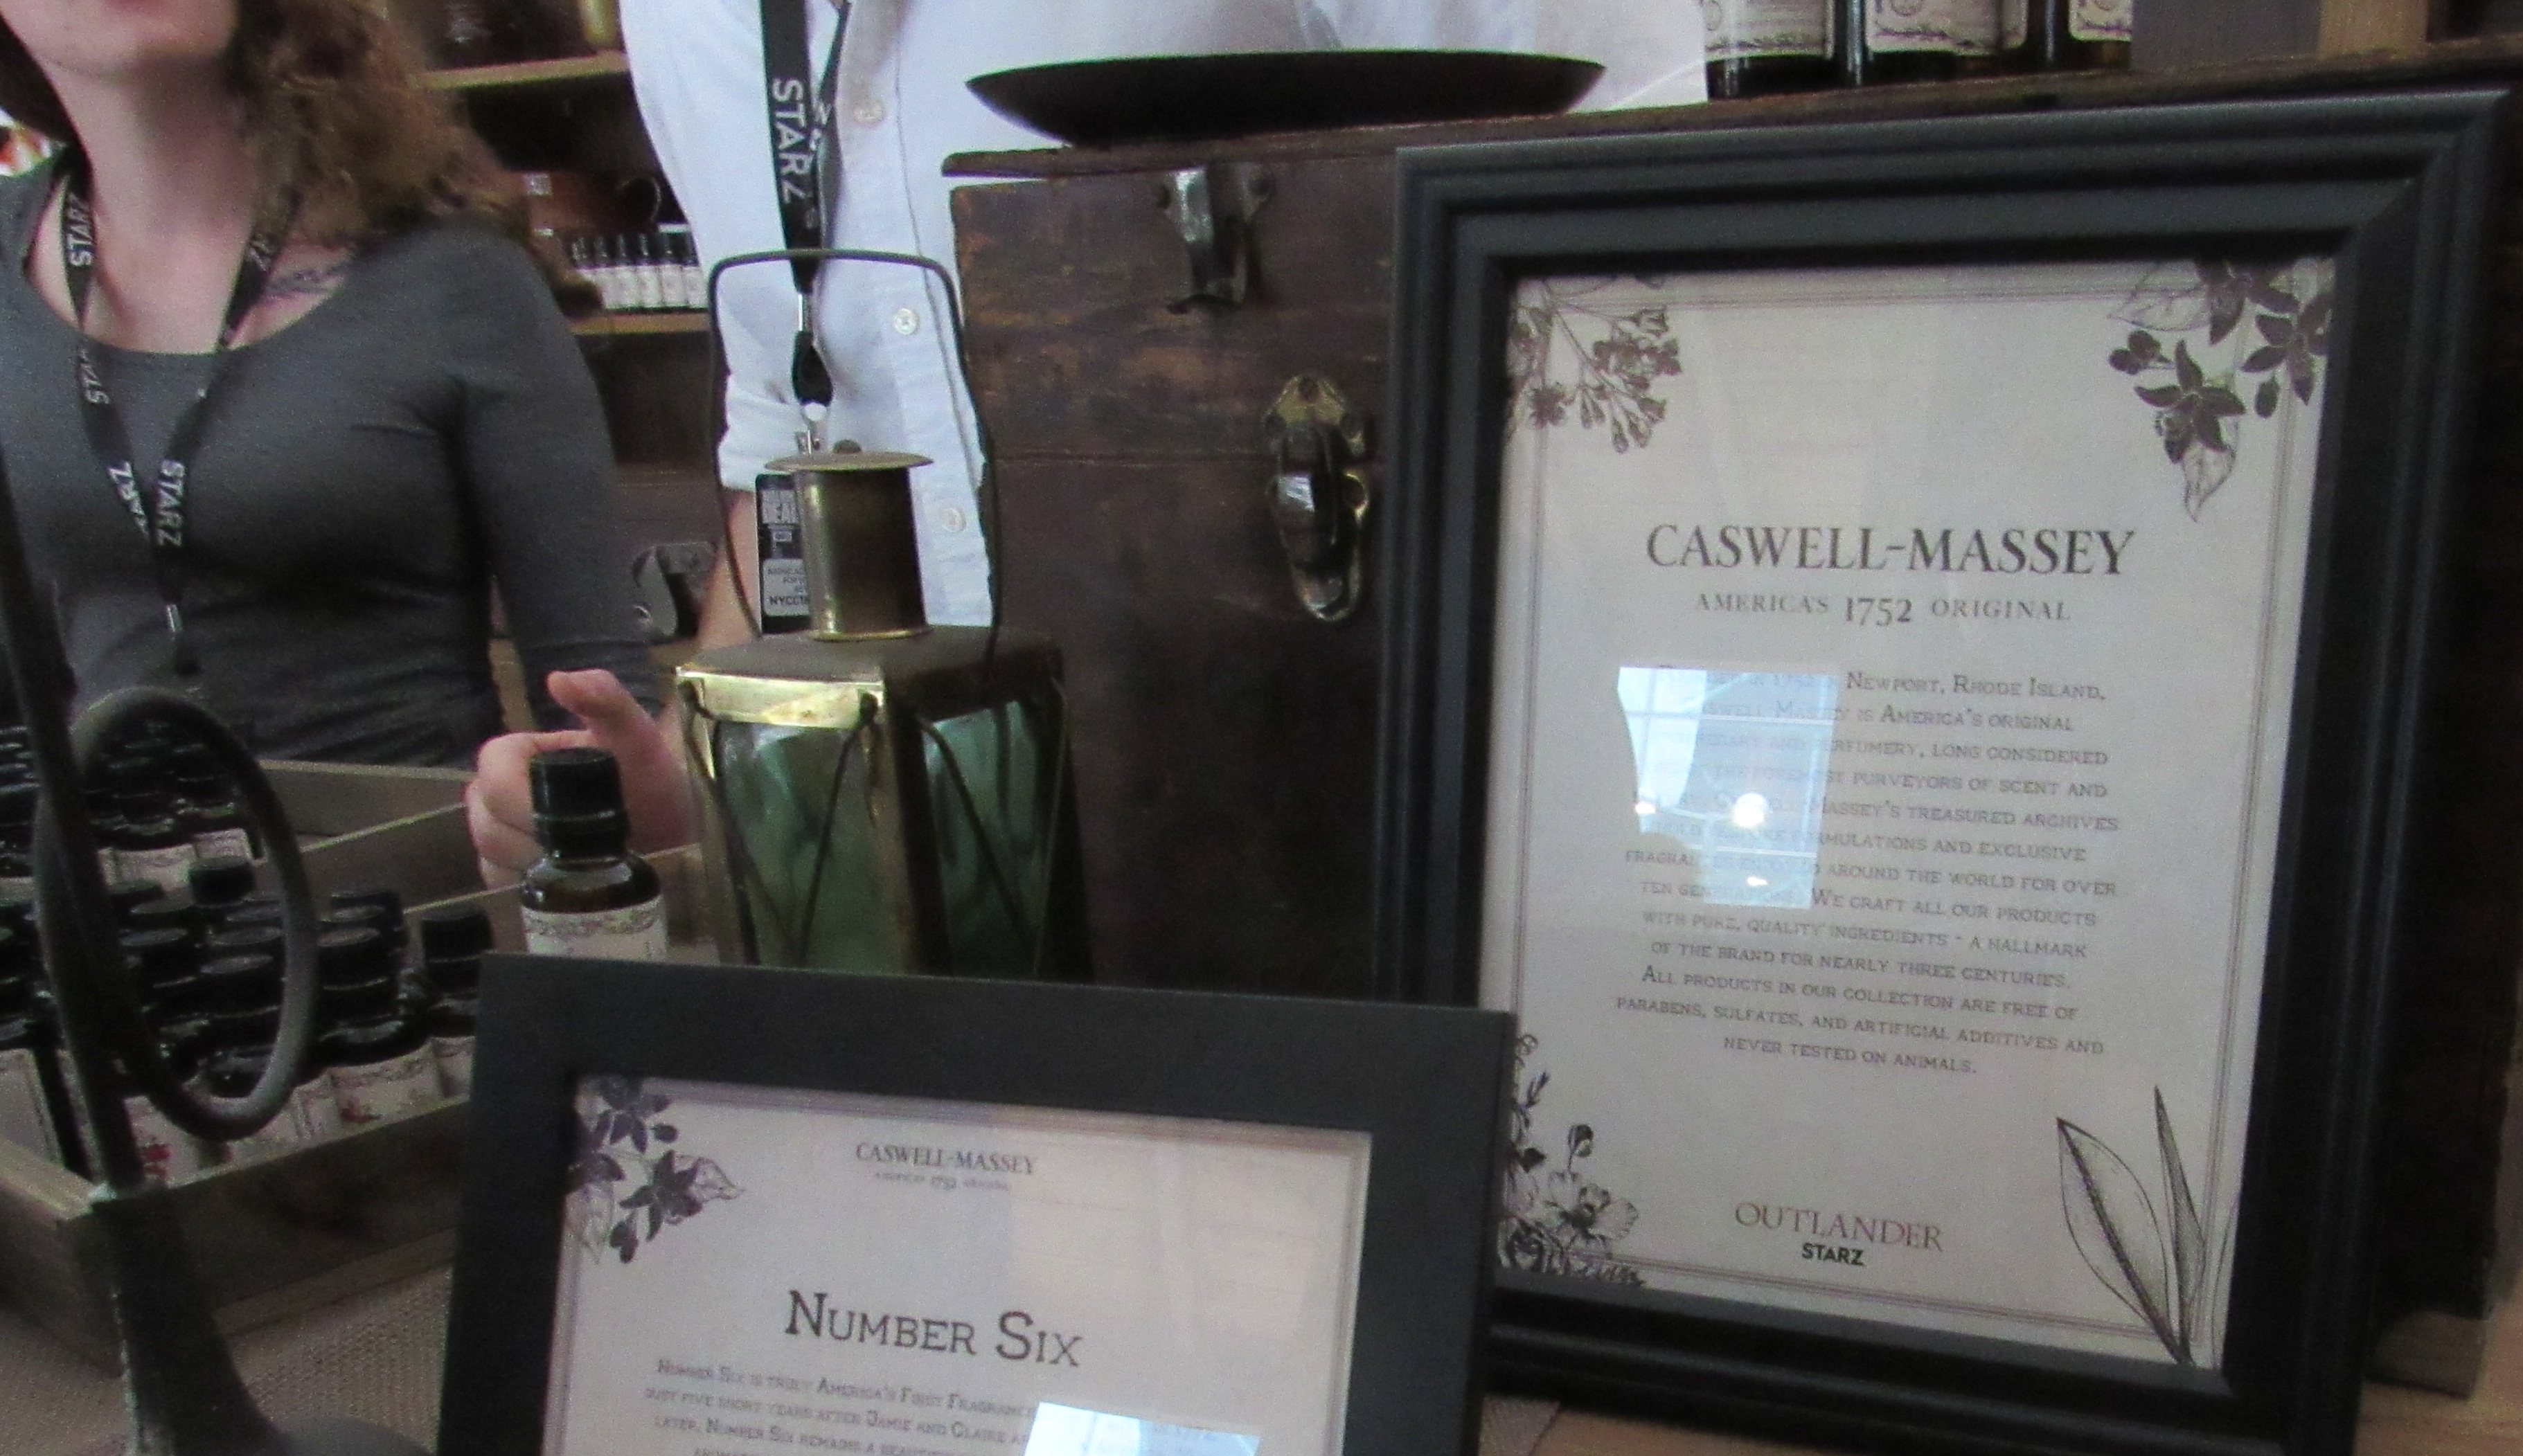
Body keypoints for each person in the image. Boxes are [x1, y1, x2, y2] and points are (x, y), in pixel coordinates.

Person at [463, 0, 1704, 873]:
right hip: (946, 884)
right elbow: (794, 446)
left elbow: (1645, 217)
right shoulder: (686, 19)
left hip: (1383, 812)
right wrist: (699, 772)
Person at [0, 0, 659, 773]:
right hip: (105, 845)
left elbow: (599, 706)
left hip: (405, 842)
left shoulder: (453, 273)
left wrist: (589, 791)